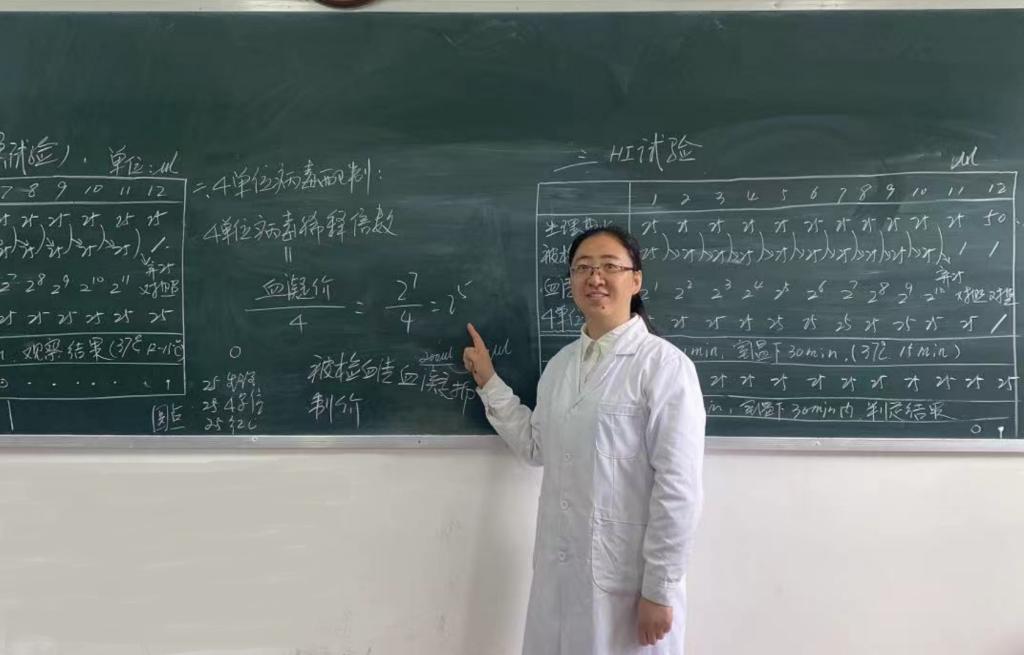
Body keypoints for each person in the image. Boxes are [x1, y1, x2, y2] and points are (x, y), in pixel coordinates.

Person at [463, 225, 706, 654]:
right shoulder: (561, 366)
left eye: (610, 266)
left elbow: (679, 487)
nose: (595, 278)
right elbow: (537, 447)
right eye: (583, 268)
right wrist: (489, 383)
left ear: (636, 279)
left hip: (627, 587)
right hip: (560, 579)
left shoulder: (664, 367)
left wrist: (660, 589)